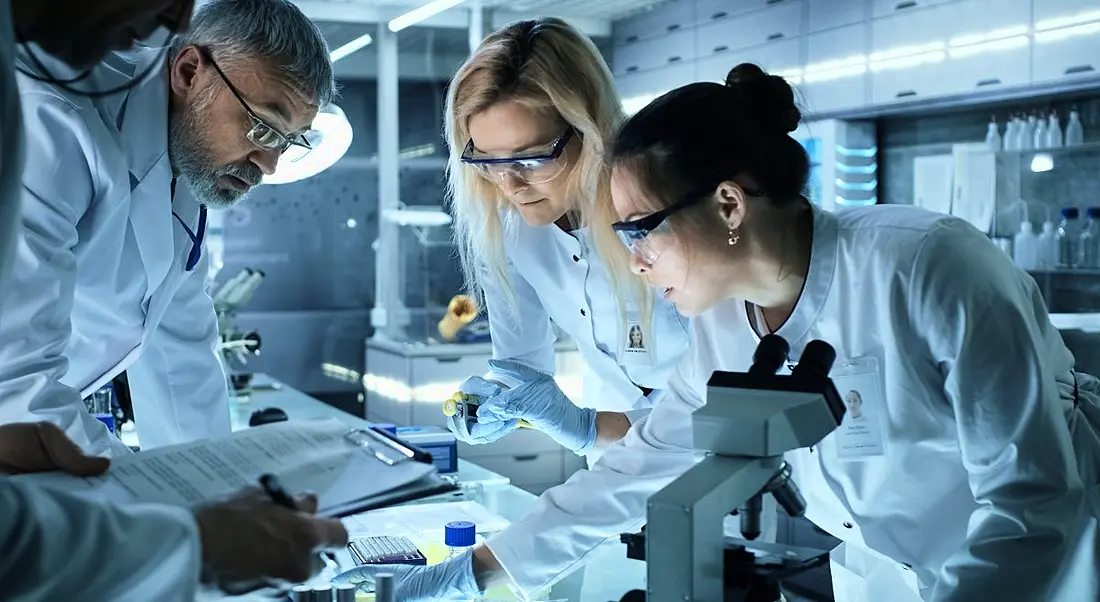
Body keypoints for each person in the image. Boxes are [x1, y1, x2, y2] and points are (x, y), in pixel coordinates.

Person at [337, 62, 1100, 601]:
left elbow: (1032, 506)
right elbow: (638, 467)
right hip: (880, 575)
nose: (631, 262)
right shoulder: (727, 324)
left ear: (729, 205)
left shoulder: (930, 266)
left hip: (1036, 573)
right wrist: (476, 573)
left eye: (640, 231)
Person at [0, 3, 347, 600]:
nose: (269, 164)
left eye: (289, 141)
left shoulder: (187, 172)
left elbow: (183, 355)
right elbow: (15, 384)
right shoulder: (56, 124)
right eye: (263, 128)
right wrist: (188, 530)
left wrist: (225, 497)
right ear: (190, 71)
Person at [439, 17, 689, 463]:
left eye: (531, 159)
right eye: (487, 161)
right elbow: (522, 365)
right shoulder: (509, 228)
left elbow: (728, 390)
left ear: (589, 130)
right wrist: (492, 399)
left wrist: (587, 428)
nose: (509, 184)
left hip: (713, 453)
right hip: (609, 459)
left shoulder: (665, 217)